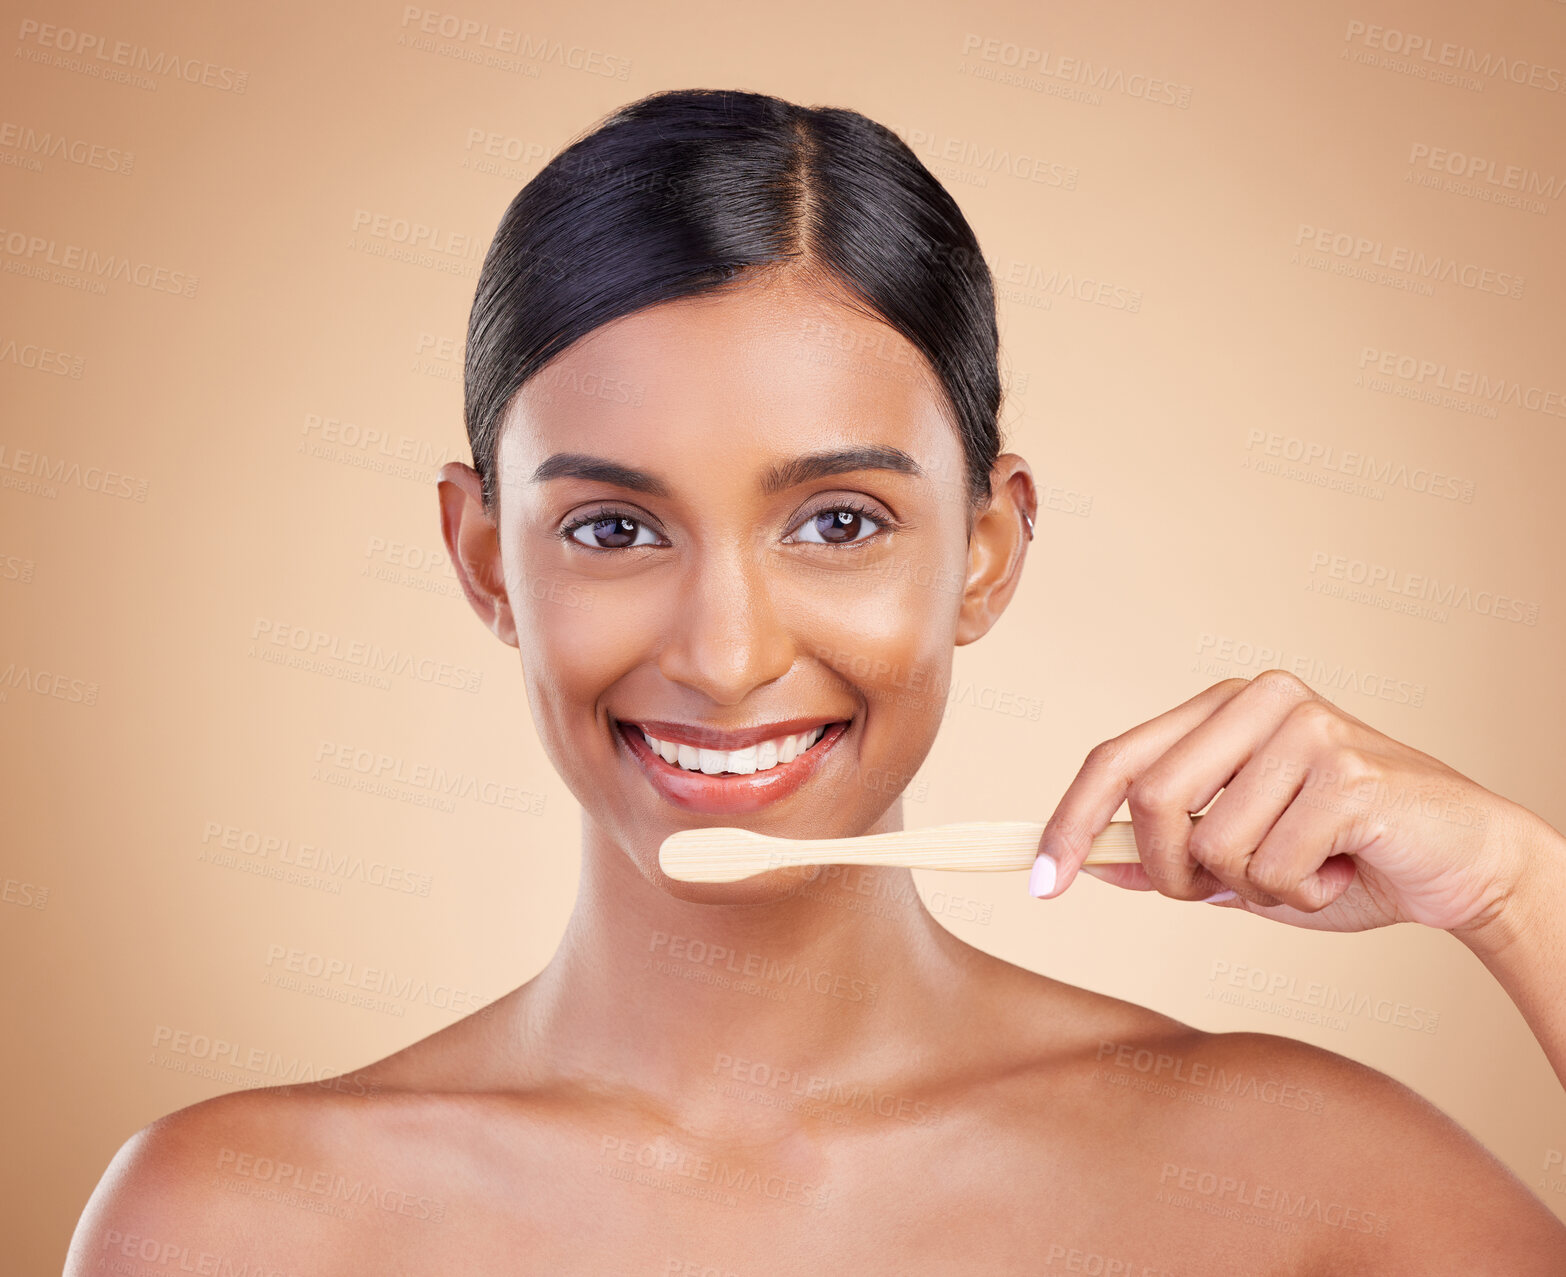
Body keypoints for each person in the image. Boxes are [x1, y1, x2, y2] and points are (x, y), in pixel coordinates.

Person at [66, 87, 1566, 1274]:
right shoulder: (236, 1223)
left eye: (836, 523)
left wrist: (1518, 889)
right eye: (611, 526)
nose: (726, 654)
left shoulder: (1299, 1178)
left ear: (983, 550)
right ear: (483, 560)